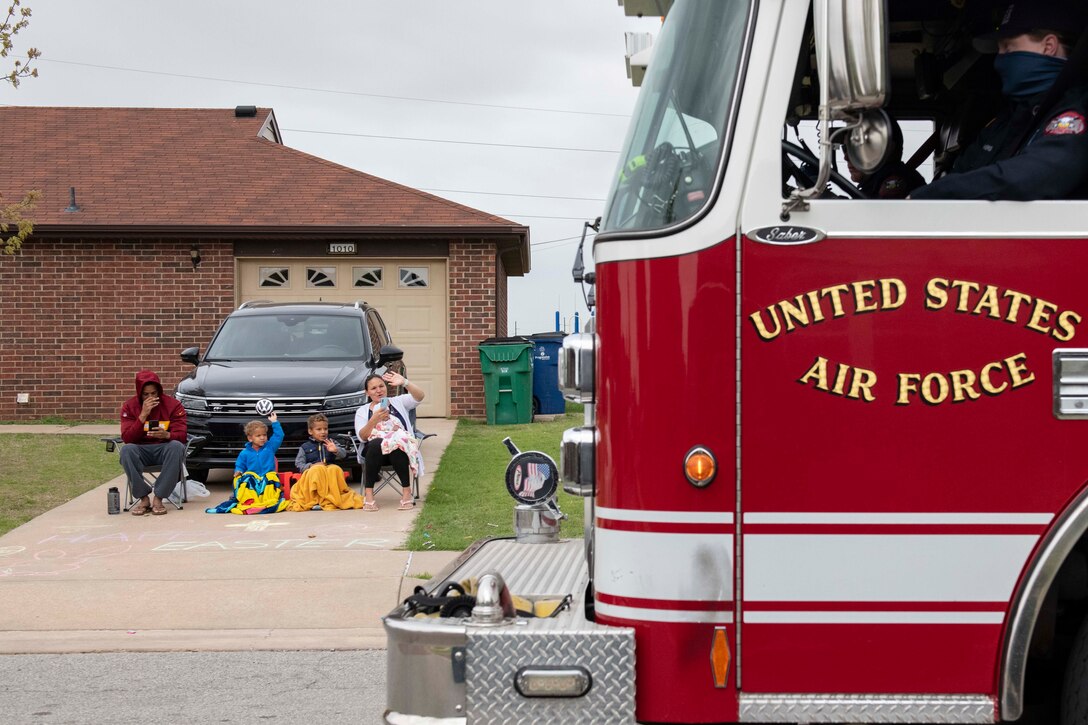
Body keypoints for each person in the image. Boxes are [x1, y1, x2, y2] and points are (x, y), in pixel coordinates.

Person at [912, 1, 1088, 200]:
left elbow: (1032, 177)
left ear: (1049, 46)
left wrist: (930, 195)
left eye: (1008, 48)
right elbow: (963, 172)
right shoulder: (1004, 121)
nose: (998, 60)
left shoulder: (1077, 110)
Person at [119, 370, 188, 516]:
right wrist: (143, 415)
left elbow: (182, 436)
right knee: (127, 450)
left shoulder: (173, 405)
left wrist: (167, 435)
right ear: (139, 393)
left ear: (159, 391)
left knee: (176, 446)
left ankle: (159, 497)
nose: (150, 397)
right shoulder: (129, 406)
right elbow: (127, 438)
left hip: (164, 450)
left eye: (154, 393)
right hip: (141, 450)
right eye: (146, 394)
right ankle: (143, 498)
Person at [354, 371, 425, 511]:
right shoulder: (362, 411)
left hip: (398, 453)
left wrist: (405, 382)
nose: (379, 390)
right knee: (375, 443)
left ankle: (407, 494)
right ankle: (369, 496)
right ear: (367, 392)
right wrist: (374, 419)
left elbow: (420, 397)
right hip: (375, 455)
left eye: (381, 386)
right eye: (373, 388)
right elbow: (362, 437)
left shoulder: (398, 402)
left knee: (397, 443)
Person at [206, 413, 288, 515]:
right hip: (253, 482)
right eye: (258, 436)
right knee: (246, 478)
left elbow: (279, 436)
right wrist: (238, 471)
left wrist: (275, 422)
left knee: (270, 477)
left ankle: (265, 501)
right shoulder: (244, 453)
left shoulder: (270, 447)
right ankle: (245, 500)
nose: (262, 438)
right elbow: (240, 466)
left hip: (266, 480)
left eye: (264, 435)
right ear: (250, 438)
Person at [286, 413, 365, 511]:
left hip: (328, 472)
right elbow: (299, 464)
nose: (323, 432)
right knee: (318, 469)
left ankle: (331, 499)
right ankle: (315, 500)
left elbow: (344, 455)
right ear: (310, 431)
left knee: (335, 468)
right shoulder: (305, 447)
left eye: (325, 429)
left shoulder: (331, 442)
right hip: (313, 473)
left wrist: (336, 450)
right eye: (319, 429)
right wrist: (311, 466)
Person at [845, 120, 924, 199]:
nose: (846, 157)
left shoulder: (894, 184)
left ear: (886, 149)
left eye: (857, 149)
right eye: (845, 148)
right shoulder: (874, 185)